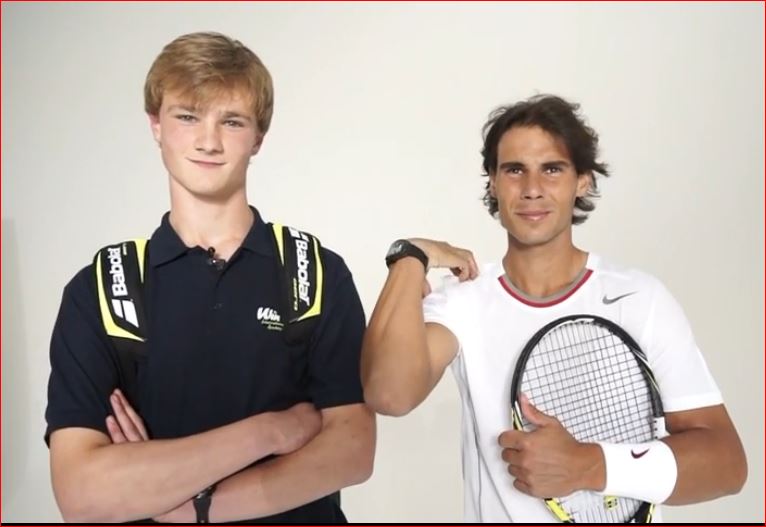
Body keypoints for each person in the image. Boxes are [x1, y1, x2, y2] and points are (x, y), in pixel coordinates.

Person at [361, 94, 746, 522]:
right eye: (514, 170)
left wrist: (588, 465)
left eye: (552, 169)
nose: (532, 189)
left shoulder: (640, 299)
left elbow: (727, 464)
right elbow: (389, 395)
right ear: (492, 183)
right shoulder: (464, 301)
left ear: (582, 181)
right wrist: (409, 257)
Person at [45, 32, 374, 524]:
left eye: (232, 121)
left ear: (258, 137)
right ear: (155, 125)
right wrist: (266, 432)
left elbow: (352, 451)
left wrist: (182, 503)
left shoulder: (315, 273)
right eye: (187, 116)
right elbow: (82, 494)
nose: (208, 141)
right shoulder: (101, 289)